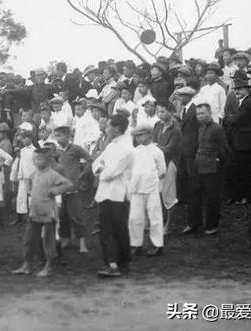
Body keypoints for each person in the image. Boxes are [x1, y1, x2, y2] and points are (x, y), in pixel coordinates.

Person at [11, 147, 73, 277]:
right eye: (34, 159)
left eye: (39, 159)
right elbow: (28, 181)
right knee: (29, 239)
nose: (36, 161)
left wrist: (55, 191)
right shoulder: (34, 173)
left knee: (48, 241)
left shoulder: (52, 174)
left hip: (48, 213)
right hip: (35, 212)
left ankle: (48, 266)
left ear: (48, 160)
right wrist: (29, 191)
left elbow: (68, 184)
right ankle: (27, 265)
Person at [92, 114, 134, 278]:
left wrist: (102, 170)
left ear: (117, 128)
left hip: (118, 193)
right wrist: (101, 169)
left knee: (112, 230)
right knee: (115, 229)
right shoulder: (111, 146)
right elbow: (96, 163)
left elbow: (110, 173)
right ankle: (122, 261)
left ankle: (113, 264)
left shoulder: (127, 149)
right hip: (106, 193)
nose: (106, 128)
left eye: (109, 126)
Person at [181, 104, 229, 235]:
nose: (200, 116)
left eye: (202, 113)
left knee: (212, 197)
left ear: (210, 113)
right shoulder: (201, 128)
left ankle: (212, 225)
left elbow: (224, 149)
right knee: (194, 195)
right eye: (198, 114)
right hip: (198, 166)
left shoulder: (217, 129)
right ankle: (193, 223)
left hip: (211, 168)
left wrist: (218, 163)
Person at [128, 124, 166, 257]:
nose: (138, 138)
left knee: (155, 216)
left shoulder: (157, 151)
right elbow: (130, 170)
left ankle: (157, 244)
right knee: (135, 218)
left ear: (149, 135)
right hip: (136, 188)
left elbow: (162, 171)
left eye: (141, 135)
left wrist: (152, 180)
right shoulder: (134, 151)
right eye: (137, 136)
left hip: (152, 188)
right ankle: (136, 244)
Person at [53, 126, 91, 253]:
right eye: (56, 136)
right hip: (60, 188)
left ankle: (82, 243)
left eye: (60, 136)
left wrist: (82, 174)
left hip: (73, 188)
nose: (57, 138)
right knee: (62, 216)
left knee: (76, 216)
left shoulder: (75, 149)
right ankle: (66, 239)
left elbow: (90, 160)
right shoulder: (57, 152)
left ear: (68, 137)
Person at [223, 78, 251, 205]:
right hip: (238, 141)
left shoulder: (248, 102)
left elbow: (235, 119)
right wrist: (231, 118)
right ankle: (240, 195)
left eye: (240, 89)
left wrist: (230, 117)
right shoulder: (241, 102)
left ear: (247, 89)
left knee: (245, 171)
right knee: (238, 170)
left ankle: (247, 196)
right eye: (236, 89)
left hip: (245, 142)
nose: (237, 91)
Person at [153, 101, 182, 231]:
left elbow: (169, 149)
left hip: (170, 162)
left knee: (169, 193)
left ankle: (168, 225)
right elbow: (152, 141)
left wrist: (156, 147)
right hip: (158, 162)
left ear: (171, 112)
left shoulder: (175, 128)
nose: (160, 114)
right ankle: (160, 220)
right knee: (157, 191)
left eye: (163, 111)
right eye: (158, 111)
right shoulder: (158, 125)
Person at [175, 86, 200, 205]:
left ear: (188, 97)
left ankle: (193, 199)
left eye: (182, 96)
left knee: (192, 175)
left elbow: (198, 130)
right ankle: (184, 197)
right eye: (179, 95)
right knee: (183, 173)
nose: (179, 98)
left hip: (191, 148)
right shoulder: (184, 110)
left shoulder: (194, 110)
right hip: (184, 147)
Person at [11, 129, 35, 225]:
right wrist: (19, 175)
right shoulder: (22, 151)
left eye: (26, 138)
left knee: (30, 197)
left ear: (30, 138)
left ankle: (31, 217)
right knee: (20, 197)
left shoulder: (34, 150)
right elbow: (21, 164)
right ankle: (19, 217)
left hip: (31, 177)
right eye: (23, 138)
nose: (24, 140)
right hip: (23, 176)